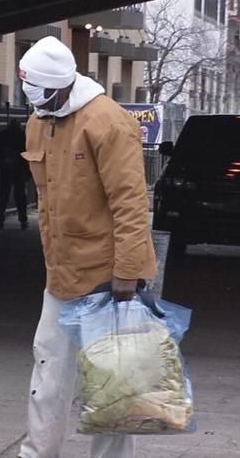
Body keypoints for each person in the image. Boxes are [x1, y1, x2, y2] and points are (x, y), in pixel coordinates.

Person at [17, 36, 156, 458]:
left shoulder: (107, 122)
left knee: (113, 386)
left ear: (62, 85)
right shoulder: (40, 119)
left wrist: (127, 272)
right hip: (62, 275)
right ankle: (38, 451)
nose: (36, 105)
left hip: (108, 278)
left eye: (42, 96)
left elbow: (130, 201)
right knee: (49, 373)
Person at [0, 118, 29, 230]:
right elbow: (28, 150)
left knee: (3, 196)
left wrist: (3, 156)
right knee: (20, 196)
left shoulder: (2, 135)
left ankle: (0, 220)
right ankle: (23, 221)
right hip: (19, 169)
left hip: (6, 168)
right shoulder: (23, 136)